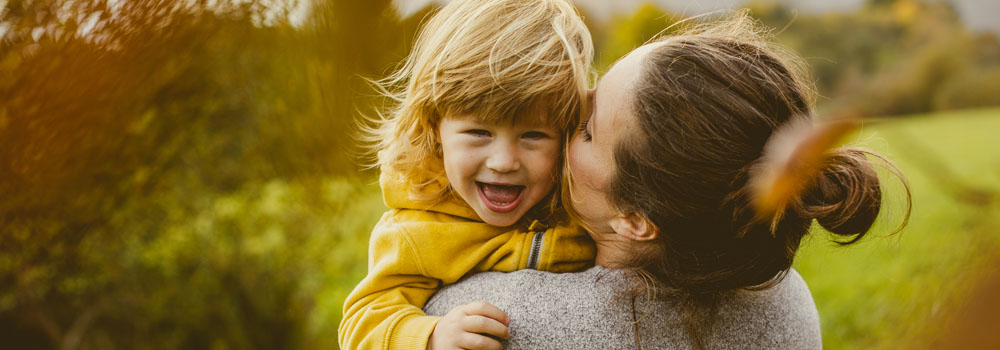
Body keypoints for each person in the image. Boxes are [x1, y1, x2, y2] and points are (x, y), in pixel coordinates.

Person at [425, 13, 910, 349]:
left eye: (588, 131)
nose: (569, 109)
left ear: (635, 219)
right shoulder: (785, 299)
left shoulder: (484, 319)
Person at [338, 0, 597, 349]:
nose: (504, 162)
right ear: (434, 128)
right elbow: (362, 321)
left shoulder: (582, 201)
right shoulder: (416, 231)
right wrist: (430, 338)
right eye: (479, 133)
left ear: (566, 134)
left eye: (533, 136)